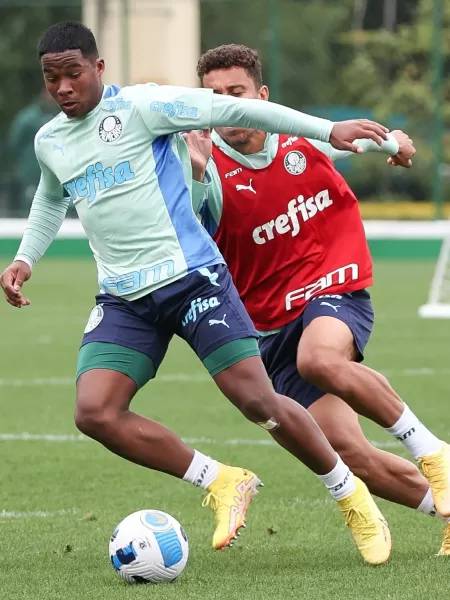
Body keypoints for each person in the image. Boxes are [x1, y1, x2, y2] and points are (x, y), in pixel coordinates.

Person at [0, 22, 396, 565]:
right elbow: (50, 201)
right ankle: (221, 480)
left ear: (98, 69)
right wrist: (24, 259)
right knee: (95, 412)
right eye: (52, 78)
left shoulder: (144, 108)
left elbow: (241, 112)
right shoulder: (50, 141)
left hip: (191, 279)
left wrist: (328, 131)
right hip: (124, 298)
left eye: (73, 73)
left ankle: (350, 495)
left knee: (259, 402)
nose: (63, 87)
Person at [189, 43, 450, 556]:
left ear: (261, 96)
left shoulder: (303, 137)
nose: (226, 107)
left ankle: (433, 451)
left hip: (333, 286)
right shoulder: (203, 165)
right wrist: (196, 175)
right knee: (351, 453)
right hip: (269, 324)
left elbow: (378, 141)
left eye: (236, 93)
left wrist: (396, 143)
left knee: (320, 358)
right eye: (214, 97)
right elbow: (191, 220)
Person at [8, 88, 58, 213]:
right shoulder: (27, 118)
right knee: (30, 208)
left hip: (55, 173)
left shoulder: (60, 117)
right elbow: (15, 143)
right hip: (31, 174)